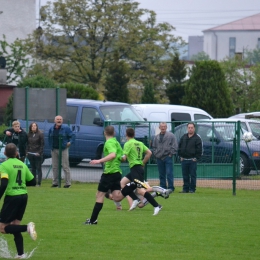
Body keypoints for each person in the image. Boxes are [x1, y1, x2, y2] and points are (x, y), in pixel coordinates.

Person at [84, 126, 139, 225]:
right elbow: (123, 158)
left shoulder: (109, 143)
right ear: (114, 133)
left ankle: (93, 220)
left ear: (104, 133)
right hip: (117, 173)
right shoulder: (116, 142)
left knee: (99, 195)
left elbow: (113, 155)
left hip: (109, 173)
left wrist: (99, 160)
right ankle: (132, 185)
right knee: (117, 197)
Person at [0, 143, 37, 259]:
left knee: (2, 228)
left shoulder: (4, 165)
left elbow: (4, 183)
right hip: (23, 197)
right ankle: (21, 254)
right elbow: (33, 182)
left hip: (12, 197)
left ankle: (27, 228)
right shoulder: (22, 164)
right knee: (15, 225)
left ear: (5, 153)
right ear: (16, 153)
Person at [121, 128, 165, 215]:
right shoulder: (140, 143)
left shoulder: (128, 144)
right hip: (137, 169)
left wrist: (117, 157)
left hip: (135, 169)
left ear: (126, 135)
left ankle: (156, 206)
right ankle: (135, 199)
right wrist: (143, 163)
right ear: (134, 134)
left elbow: (124, 158)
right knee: (122, 183)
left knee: (140, 190)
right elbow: (149, 153)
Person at [48, 115, 75, 188]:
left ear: (62, 121)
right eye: (57, 119)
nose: (59, 121)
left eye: (60, 119)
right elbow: (49, 138)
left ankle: (68, 183)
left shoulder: (66, 128)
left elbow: (72, 136)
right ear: (55, 121)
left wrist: (70, 142)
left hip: (63, 149)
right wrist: (51, 146)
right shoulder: (51, 129)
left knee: (65, 166)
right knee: (55, 167)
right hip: (54, 149)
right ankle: (55, 182)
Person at [152, 122, 178, 193]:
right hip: (159, 158)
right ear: (159, 128)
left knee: (169, 173)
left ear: (166, 127)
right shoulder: (156, 137)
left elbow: (175, 146)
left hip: (167, 157)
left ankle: (170, 188)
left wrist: (170, 154)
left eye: (164, 126)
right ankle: (162, 187)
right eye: (161, 126)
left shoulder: (171, 136)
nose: (163, 128)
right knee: (161, 174)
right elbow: (153, 147)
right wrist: (156, 154)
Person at [178, 122, 202, 193]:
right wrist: (180, 156)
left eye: (192, 128)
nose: (190, 129)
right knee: (185, 175)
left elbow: (199, 149)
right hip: (184, 160)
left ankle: (192, 189)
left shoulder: (197, 138)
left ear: (194, 128)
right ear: (187, 128)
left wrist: (196, 158)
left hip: (192, 160)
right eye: (189, 128)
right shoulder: (183, 137)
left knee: (193, 175)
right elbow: (179, 147)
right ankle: (185, 189)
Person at [26, 122, 44, 187]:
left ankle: (39, 182)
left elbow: (42, 144)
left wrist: (39, 152)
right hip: (30, 153)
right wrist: (27, 151)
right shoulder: (28, 134)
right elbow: (27, 144)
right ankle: (33, 182)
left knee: (38, 168)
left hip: (38, 154)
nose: (33, 127)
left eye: (35, 126)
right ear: (30, 127)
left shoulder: (40, 134)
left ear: (37, 127)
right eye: (32, 126)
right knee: (33, 168)